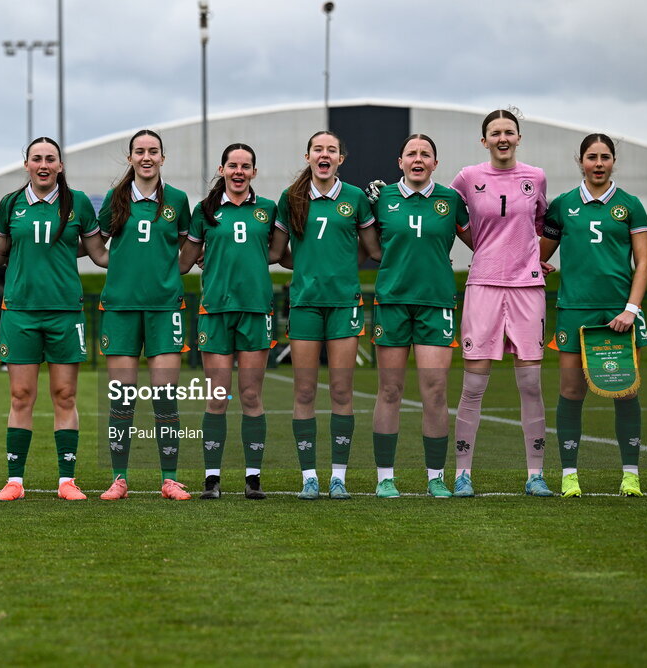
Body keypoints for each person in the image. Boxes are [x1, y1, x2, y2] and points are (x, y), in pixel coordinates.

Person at [0, 136, 108, 501]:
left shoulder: (78, 205)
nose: (43, 165)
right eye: (36, 159)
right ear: (26, 164)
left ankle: (66, 481)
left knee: (65, 394)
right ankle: (15, 482)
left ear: (60, 165)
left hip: (65, 312)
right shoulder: (9, 205)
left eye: (50, 159)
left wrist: (146, 260)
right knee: (21, 395)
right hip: (20, 312)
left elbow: (100, 256)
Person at [269, 131, 380, 499]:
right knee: (303, 391)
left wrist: (343, 268)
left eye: (332, 149)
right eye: (319, 149)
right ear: (308, 156)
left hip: (344, 304)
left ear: (340, 159)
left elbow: (371, 250)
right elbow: (278, 253)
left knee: (340, 389)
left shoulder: (355, 198)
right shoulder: (291, 199)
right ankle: (309, 478)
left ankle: (338, 477)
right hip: (304, 304)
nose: (325, 154)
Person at [449, 110, 554, 497]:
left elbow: (541, 225)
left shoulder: (536, 177)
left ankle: (535, 475)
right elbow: (450, 218)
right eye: (495, 133)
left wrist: (533, 256)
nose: (503, 138)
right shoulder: (467, 178)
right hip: (483, 286)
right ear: (485, 141)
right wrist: (482, 249)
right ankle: (462, 475)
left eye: (509, 132)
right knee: (474, 384)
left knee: (530, 383)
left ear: (518, 137)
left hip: (527, 289)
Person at [540, 133, 647, 498]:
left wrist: (630, 310)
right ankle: (569, 475)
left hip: (620, 313)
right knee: (571, 392)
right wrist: (536, 265)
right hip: (574, 311)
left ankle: (630, 475)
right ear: (581, 161)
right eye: (592, 157)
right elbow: (541, 253)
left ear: (613, 161)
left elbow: (644, 263)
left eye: (605, 157)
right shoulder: (563, 205)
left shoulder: (631, 205)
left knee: (625, 392)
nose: (598, 163)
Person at [370, 134, 470, 498]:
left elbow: (483, 240)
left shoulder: (450, 199)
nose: (418, 159)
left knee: (436, 391)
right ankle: (385, 477)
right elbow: (356, 241)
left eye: (425, 154)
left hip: (436, 303)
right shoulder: (381, 200)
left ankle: (435, 478)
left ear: (435, 163)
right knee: (391, 389)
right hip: (393, 302)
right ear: (399, 162)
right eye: (411, 153)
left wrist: (525, 259)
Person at [98, 129, 193, 501]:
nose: (147, 157)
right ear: (131, 158)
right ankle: (119, 478)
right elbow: (97, 245)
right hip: (121, 308)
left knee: (165, 396)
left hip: (164, 307)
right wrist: (115, 266)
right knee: (122, 396)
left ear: (163, 158)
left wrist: (173, 274)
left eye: (153, 151)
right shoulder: (114, 198)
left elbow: (189, 247)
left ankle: (169, 478)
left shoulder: (178, 200)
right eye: (140, 151)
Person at [179, 143, 277, 499]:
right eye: (232, 165)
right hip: (215, 312)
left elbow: (278, 252)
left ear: (254, 172)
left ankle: (253, 478)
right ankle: (212, 478)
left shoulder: (267, 209)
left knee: (251, 395)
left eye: (245, 166)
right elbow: (184, 261)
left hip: (254, 312)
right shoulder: (204, 211)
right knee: (217, 396)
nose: (239, 171)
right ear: (222, 170)